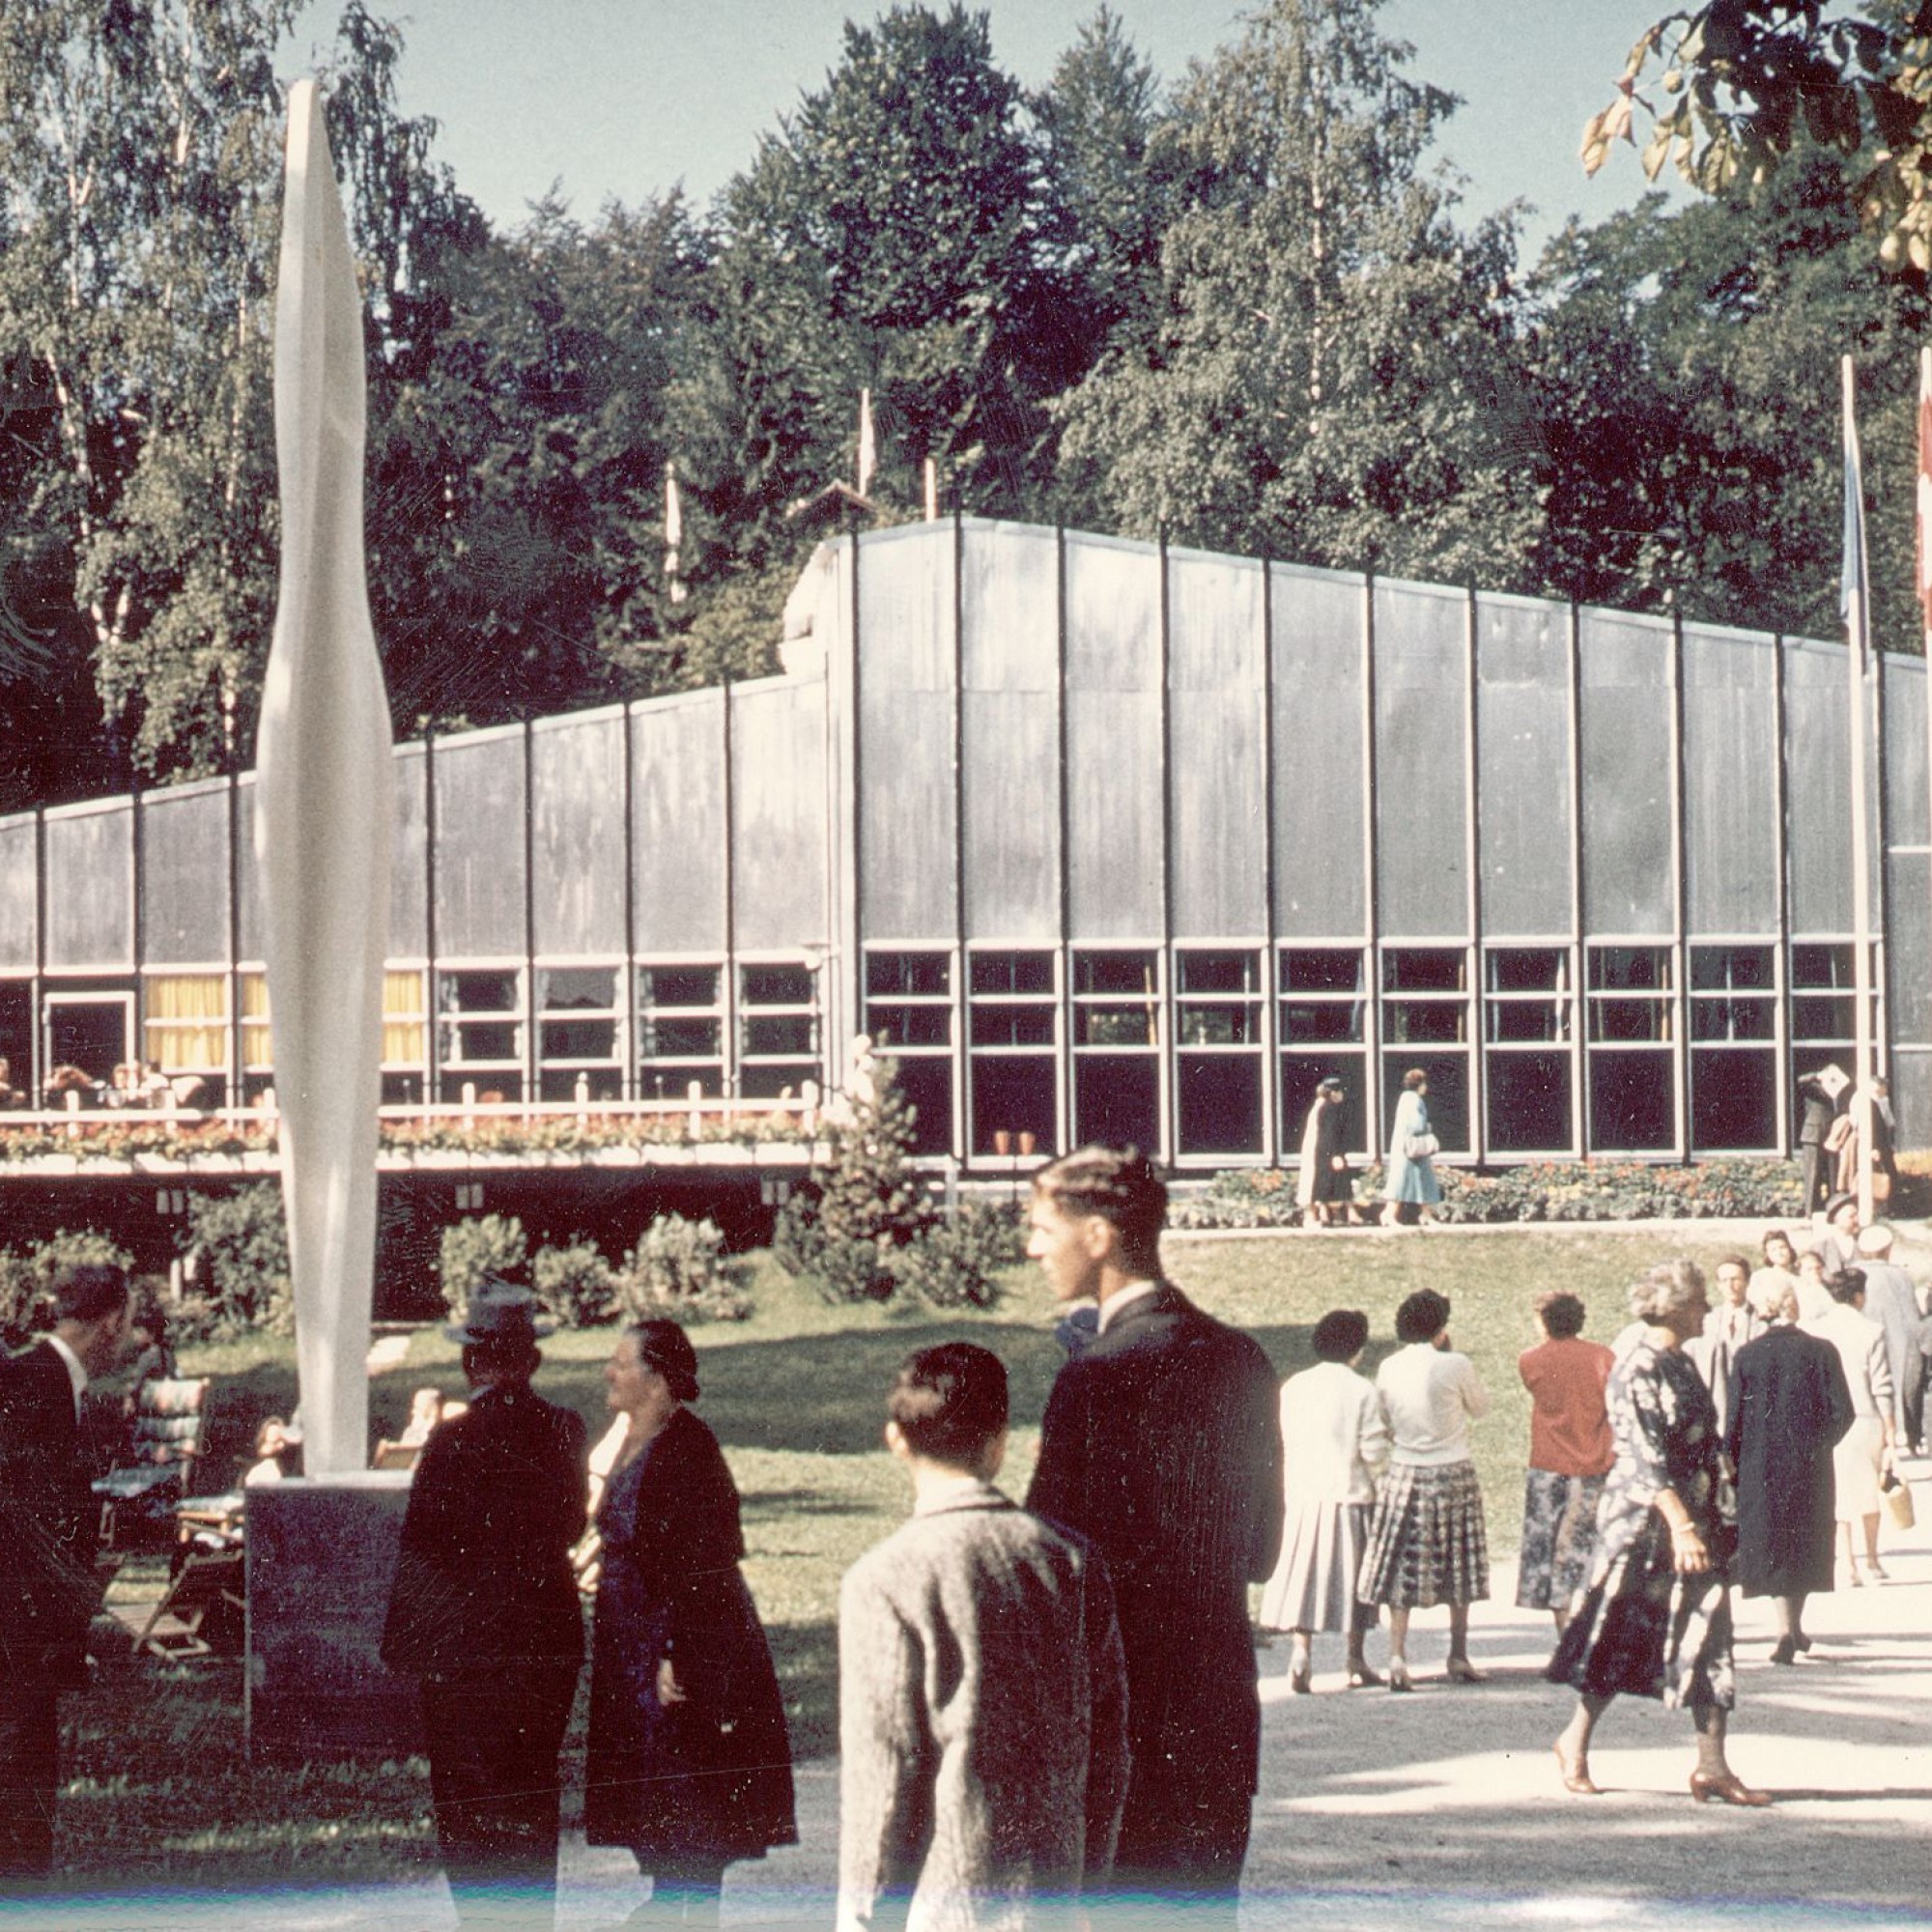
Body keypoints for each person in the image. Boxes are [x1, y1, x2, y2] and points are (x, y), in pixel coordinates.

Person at [1024, 1146, 1283, 1911]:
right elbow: (1263, 1551)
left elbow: (1050, 1562)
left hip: (1117, 1716)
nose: (1034, 1248)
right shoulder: (1243, 1358)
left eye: (1044, 1228)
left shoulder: (1095, 1375)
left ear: (1098, 1234)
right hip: (1215, 1709)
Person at [837, 1343, 1129, 1931]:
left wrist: (865, 1915)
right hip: (1051, 1896)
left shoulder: (885, 1578)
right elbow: (1108, 1745)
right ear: (999, 1442)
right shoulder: (1069, 1560)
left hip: (944, 1905)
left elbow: (887, 1774)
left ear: (896, 1439)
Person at [381, 1279, 588, 1928]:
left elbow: (421, 1545)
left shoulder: (450, 1442)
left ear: (471, 1360)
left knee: (470, 1804)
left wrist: (410, 1648)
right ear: (533, 1360)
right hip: (543, 1643)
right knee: (531, 1790)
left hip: (466, 1652)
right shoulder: (565, 1429)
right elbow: (573, 1525)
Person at [585, 1320, 795, 1926]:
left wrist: (678, 1650)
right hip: (637, 1647)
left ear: (656, 1380)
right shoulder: (633, 1438)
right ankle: (670, 1911)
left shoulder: (687, 1447)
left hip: (679, 1652)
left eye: (622, 1363)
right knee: (660, 1804)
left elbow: (706, 1561)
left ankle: (677, 1917)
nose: (609, 1371)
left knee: (689, 1802)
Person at [1548, 1258, 1767, 1804]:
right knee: (1623, 1633)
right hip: (1645, 1526)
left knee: (1710, 1630)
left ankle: (1712, 1765)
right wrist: (1681, 1526)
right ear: (1673, 1307)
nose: (1708, 1310)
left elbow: (1704, 1438)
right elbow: (1644, 1458)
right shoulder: (1635, 1367)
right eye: (1699, 1302)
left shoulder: (1681, 1363)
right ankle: (1573, 1741)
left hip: (1696, 1519)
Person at [0, 1261, 131, 1888]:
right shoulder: (33, 1384)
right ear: (112, 1322)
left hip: (31, 1633)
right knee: (19, 1799)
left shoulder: (46, 1380)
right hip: (18, 1637)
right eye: (128, 1326)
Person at [1359, 1288, 1491, 1688]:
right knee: (1460, 1563)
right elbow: (1481, 1408)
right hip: (1451, 1470)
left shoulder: (1388, 1367)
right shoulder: (1455, 1364)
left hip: (1405, 1470)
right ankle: (1457, 1653)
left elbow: (1384, 1416)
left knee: (1404, 1562)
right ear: (1440, 1328)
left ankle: (1397, 1656)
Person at [1259, 1308, 1389, 1690]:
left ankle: (1302, 1652)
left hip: (1303, 1494)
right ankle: (1354, 1657)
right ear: (1358, 1349)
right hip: (1349, 1495)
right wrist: (1383, 1475)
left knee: (1306, 1574)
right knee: (1355, 1579)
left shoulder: (1294, 1386)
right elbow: (1373, 1449)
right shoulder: (1362, 1389)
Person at [1726, 1274, 1852, 1664]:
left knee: (1774, 1540)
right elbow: (1843, 1412)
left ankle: (1785, 1628)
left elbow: (1735, 1420)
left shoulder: (1747, 1355)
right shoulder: (1822, 1351)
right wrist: (1819, 1442)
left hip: (1760, 1464)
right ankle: (1794, 1626)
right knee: (1806, 1540)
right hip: (1809, 1463)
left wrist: (1732, 1462)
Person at [1516, 1290, 1613, 1635]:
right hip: (1593, 1462)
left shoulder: (1531, 1359)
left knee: (1549, 1544)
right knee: (1583, 1546)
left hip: (1547, 1463)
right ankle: (1585, 1624)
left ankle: (1562, 1627)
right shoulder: (1603, 1358)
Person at [1806, 1267, 1898, 1587]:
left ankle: (1847, 1563)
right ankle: (1872, 1559)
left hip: (1829, 1419)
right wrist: (1891, 1430)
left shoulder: (1815, 1330)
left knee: (1839, 1492)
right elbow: (1882, 1385)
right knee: (1870, 1489)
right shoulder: (1872, 1330)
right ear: (1859, 1294)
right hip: (1865, 1417)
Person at [1855, 1225, 1925, 1458]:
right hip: (1897, 1340)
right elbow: (1911, 1316)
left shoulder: (1852, 1271)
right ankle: (1903, 1435)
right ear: (1887, 1249)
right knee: (1899, 1385)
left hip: (1860, 1339)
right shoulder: (1898, 1274)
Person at [1687, 1256, 1760, 1437]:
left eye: (1735, 1279)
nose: (1730, 1285)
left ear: (1747, 1281)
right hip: (1717, 1403)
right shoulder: (1707, 1321)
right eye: (1724, 1280)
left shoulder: (1760, 1319)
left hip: (1750, 1404)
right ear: (1718, 1285)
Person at [1379, 1066, 1442, 1228]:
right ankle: (1388, 1214)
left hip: (1405, 1148)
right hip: (1411, 1150)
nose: (1426, 1087)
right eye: (1424, 1083)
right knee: (1405, 1182)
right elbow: (1416, 1125)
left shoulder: (1404, 1097)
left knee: (1418, 1180)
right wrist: (1427, 1127)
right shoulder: (1414, 1099)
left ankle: (1425, 1214)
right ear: (1419, 1084)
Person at [1295, 1076, 1357, 1228]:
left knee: (1325, 1182)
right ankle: (1341, 1214)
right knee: (1331, 1182)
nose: (1342, 1095)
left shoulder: (1319, 1106)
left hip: (1320, 1151)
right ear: (1333, 1093)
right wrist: (1336, 1154)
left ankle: (1326, 1214)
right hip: (1327, 1152)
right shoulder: (1329, 1108)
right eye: (1340, 1091)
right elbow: (1330, 1133)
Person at [1795, 1068, 1843, 1216]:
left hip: (1832, 1137)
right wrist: (1816, 1076)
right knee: (1812, 1174)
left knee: (1833, 1174)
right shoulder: (1814, 1089)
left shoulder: (1840, 1092)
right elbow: (1801, 1080)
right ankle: (1811, 1210)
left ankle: (1832, 1208)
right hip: (1813, 1136)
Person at [1815, 1193, 1861, 1278]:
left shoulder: (1864, 1244)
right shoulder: (1821, 1248)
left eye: (1857, 1215)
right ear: (1837, 1220)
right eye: (1851, 1216)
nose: (1857, 1219)